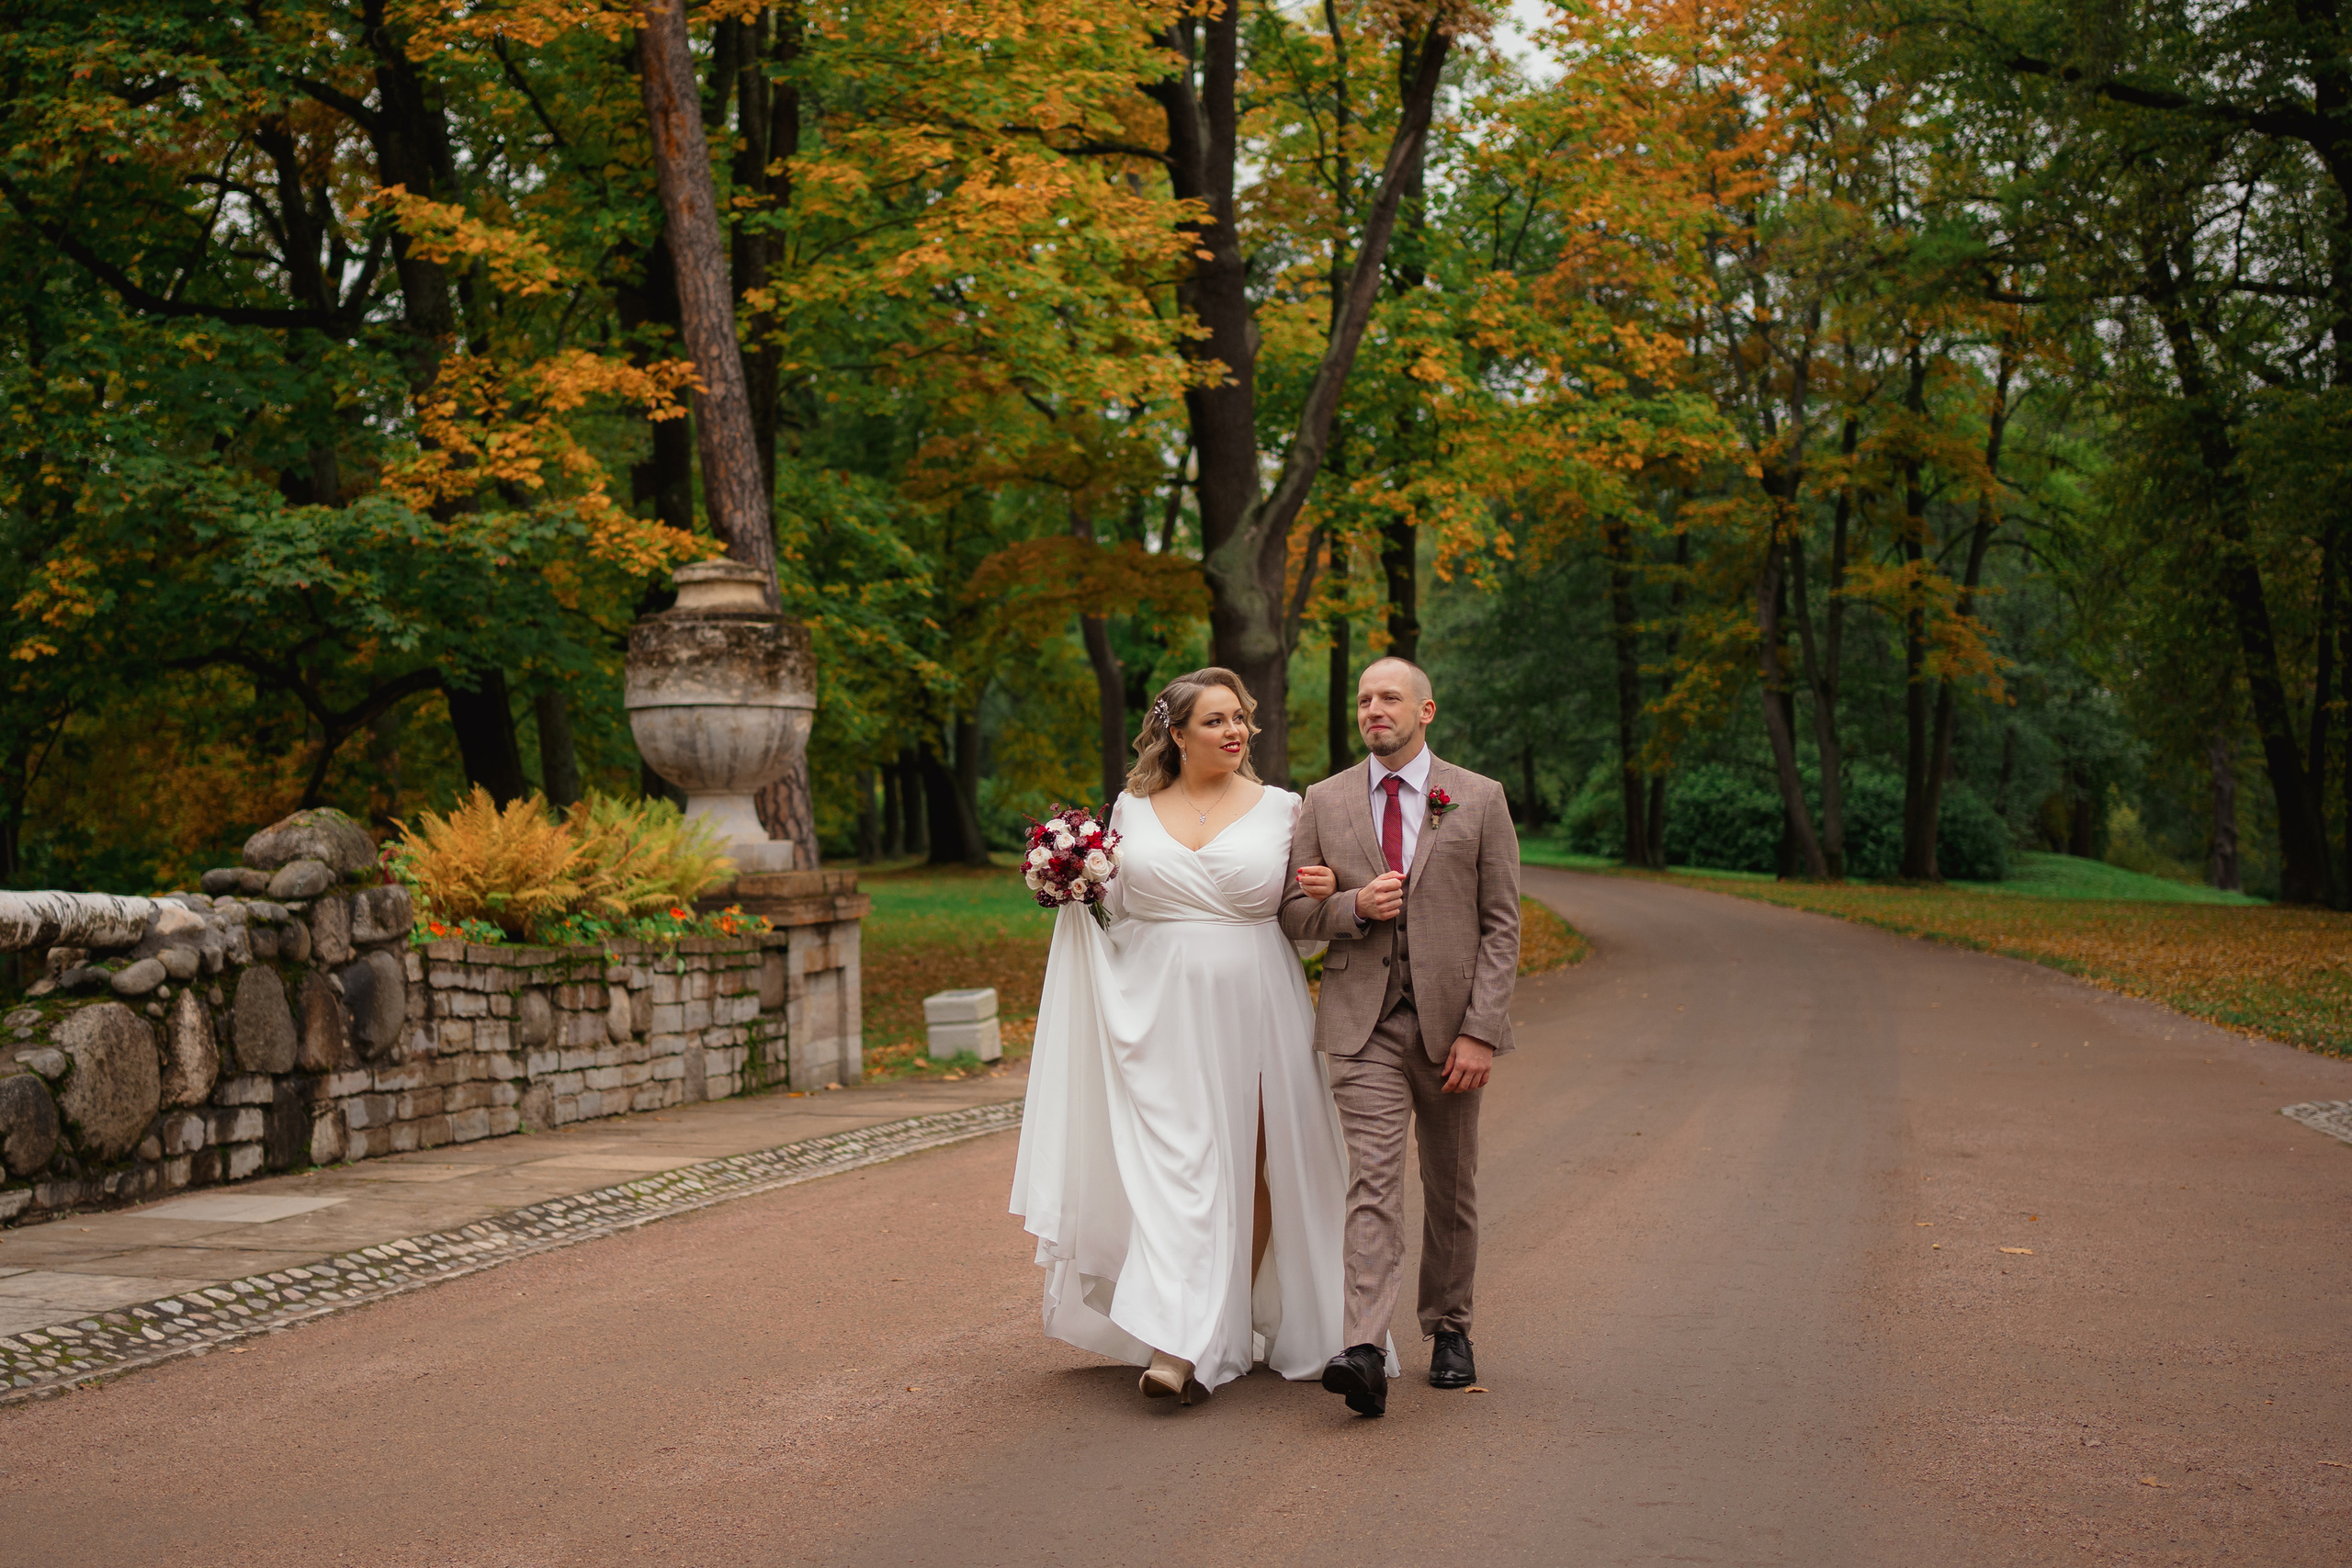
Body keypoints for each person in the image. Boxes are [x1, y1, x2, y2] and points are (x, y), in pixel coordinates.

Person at [1010, 668, 1357, 1404]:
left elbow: (1301, 911)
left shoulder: (1285, 809)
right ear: (1177, 733)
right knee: (1181, 1165)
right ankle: (1180, 1342)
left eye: (1242, 719)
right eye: (1216, 720)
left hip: (1259, 1000)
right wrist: (1070, 883)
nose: (1235, 731)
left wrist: (1327, 893)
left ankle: (1211, 1330)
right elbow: (1120, 910)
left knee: (1257, 1162)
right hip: (1155, 1004)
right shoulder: (1131, 811)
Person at [1282, 657, 1520, 1417]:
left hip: (1452, 1029)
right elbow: (1293, 913)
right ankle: (1363, 1347)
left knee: (1452, 1186)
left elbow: (1501, 925)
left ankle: (1450, 1329)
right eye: (1362, 699)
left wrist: (1481, 1032)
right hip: (1364, 1025)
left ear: (1426, 711)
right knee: (1373, 1181)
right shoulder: (1323, 800)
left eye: (1389, 697)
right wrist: (1354, 904)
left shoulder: (1478, 798)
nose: (1372, 709)